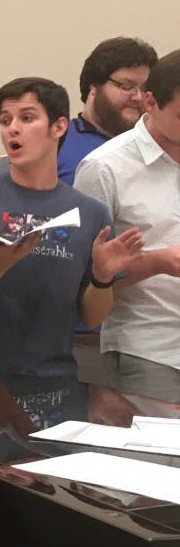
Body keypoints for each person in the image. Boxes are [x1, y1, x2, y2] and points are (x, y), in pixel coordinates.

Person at [0, 77, 143, 406]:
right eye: (5, 119)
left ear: (58, 127)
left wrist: (102, 277)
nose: (12, 129)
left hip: (55, 382)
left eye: (27, 118)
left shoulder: (91, 213)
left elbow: (92, 316)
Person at [74, 50, 180, 420]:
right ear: (150, 102)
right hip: (147, 347)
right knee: (159, 472)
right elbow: (83, 283)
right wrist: (158, 261)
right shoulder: (105, 167)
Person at [57, 37, 157, 184]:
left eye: (144, 89)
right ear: (94, 87)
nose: (137, 97)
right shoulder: (57, 144)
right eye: (125, 86)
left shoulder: (157, 148)